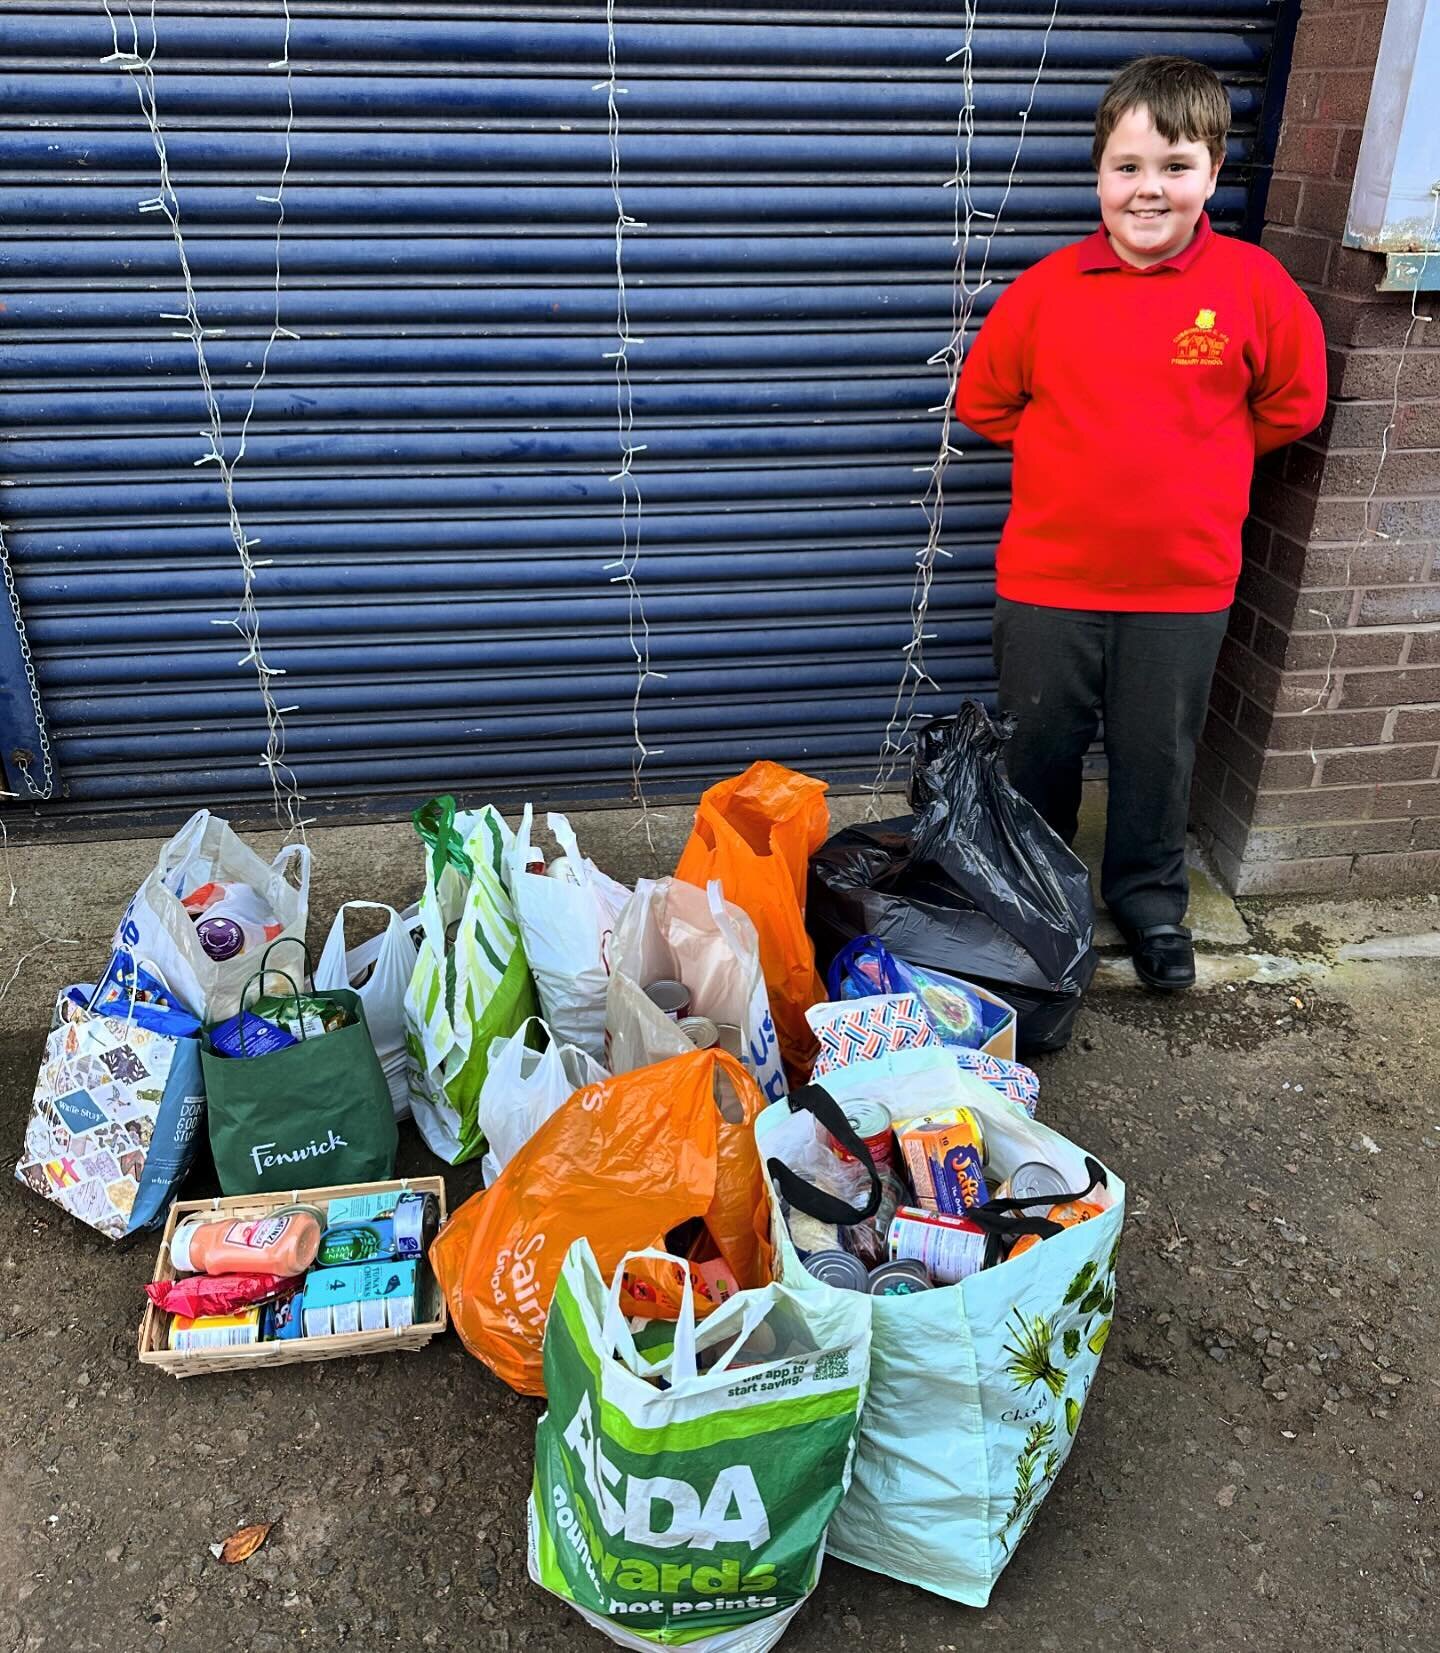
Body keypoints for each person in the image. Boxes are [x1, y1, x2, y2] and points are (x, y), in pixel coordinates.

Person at [954, 55, 1326, 991]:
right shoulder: (1046, 289)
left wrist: (1198, 461)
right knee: (1038, 749)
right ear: (1098, 175)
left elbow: (1293, 403)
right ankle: (1037, 899)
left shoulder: (1253, 286)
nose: (1149, 189)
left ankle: (1151, 903)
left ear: (1212, 173)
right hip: (1048, 581)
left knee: (1159, 755)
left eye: (1175, 166)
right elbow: (985, 404)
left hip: (1182, 583)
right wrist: (1079, 453)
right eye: (1127, 167)